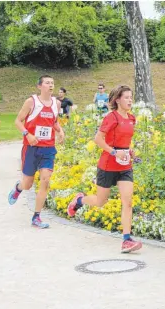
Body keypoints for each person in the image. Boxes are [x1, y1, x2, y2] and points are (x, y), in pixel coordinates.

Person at [67, 85, 142, 253]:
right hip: (108, 164)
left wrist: (129, 150)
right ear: (117, 100)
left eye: (131, 97)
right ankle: (79, 200)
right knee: (101, 201)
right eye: (126, 98)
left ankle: (126, 240)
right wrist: (114, 152)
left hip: (124, 166)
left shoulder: (132, 118)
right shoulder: (111, 117)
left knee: (127, 201)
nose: (130, 100)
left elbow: (125, 140)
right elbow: (98, 139)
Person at [7, 75, 65, 229]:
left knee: (45, 180)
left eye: (52, 83)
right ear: (40, 86)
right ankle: (18, 188)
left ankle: (36, 217)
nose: (50, 85)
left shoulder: (57, 104)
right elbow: (18, 121)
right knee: (27, 184)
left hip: (48, 148)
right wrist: (28, 134)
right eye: (47, 83)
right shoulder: (31, 102)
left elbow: (54, 122)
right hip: (31, 148)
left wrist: (60, 131)